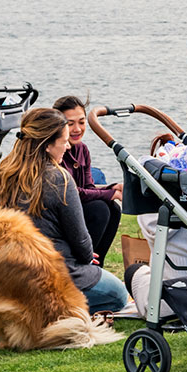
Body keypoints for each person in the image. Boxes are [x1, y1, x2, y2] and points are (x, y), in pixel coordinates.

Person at [0, 108, 133, 314]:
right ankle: (56, 308)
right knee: (119, 294)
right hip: (55, 275)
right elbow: (82, 243)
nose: (68, 147)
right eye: (64, 141)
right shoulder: (59, 178)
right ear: (48, 145)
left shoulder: (4, 174)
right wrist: (86, 261)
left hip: (11, 277)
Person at [53, 96, 123, 259]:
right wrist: (109, 193)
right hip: (59, 213)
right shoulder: (56, 150)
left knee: (113, 208)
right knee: (99, 209)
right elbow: (73, 193)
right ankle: (81, 262)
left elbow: (88, 188)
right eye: (70, 124)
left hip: (74, 208)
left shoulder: (82, 149)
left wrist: (111, 189)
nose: (77, 129)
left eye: (82, 122)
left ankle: (98, 264)